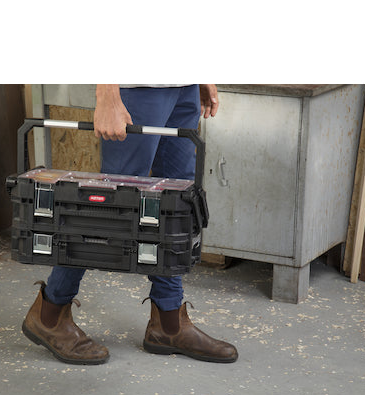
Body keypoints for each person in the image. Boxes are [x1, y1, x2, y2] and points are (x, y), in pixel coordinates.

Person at [21, 84, 238, 365]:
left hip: (182, 85)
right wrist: (107, 94)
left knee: (175, 200)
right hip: (138, 87)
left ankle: (168, 323)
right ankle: (50, 312)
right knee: (113, 202)